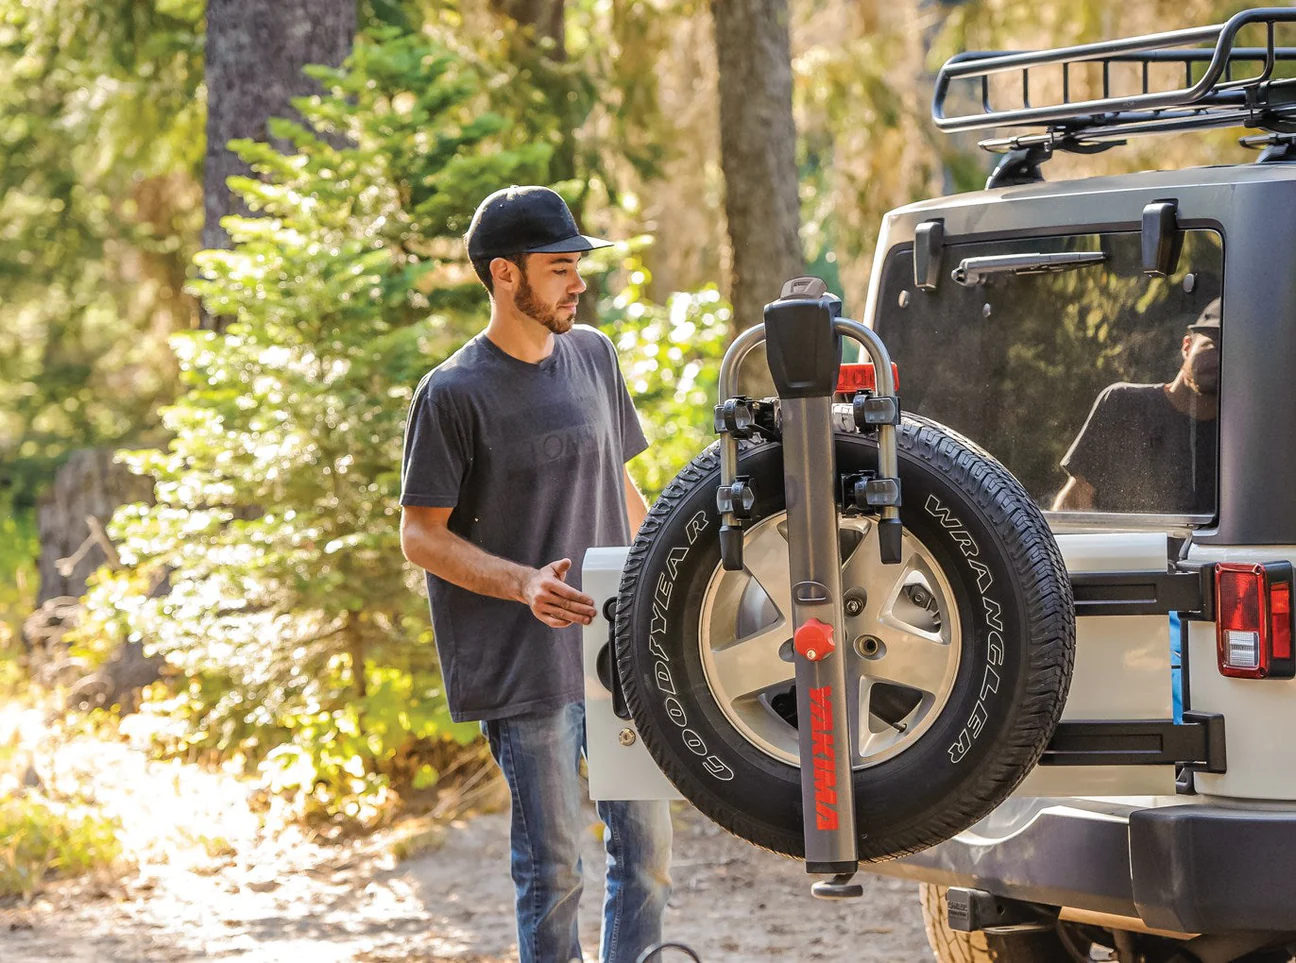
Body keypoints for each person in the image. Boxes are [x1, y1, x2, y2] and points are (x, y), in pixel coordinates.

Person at [398, 185, 672, 963]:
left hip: (615, 654)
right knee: (553, 870)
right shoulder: (450, 394)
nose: (578, 282)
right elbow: (420, 536)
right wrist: (523, 583)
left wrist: (664, 586)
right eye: (559, 267)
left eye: (578, 265)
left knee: (647, 851)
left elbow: (623, 486)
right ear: (505, 275)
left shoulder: (593, 355)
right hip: (523, 669)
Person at [1052, 298, 1221, 514]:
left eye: (1231, 352)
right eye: (1212, 347)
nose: (1219, 361)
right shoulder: (1124, 404)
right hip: (1122, 547)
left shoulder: (1239, 439)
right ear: (1187, 347)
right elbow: (1074, 505)